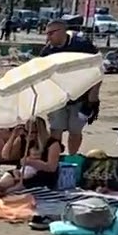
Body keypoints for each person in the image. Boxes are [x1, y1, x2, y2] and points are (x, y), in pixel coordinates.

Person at [40, 19, 100, 155]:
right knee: (56, 129)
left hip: (81, 96)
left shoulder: (82, 45)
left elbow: (98, 68)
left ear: (62, 31)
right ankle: (55, 159)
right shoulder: (47, 52)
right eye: (47, 34)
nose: (48, 37)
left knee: (75, 130)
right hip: (57, 98)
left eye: (51, 34)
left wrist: (94, 94)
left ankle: (72, 157)